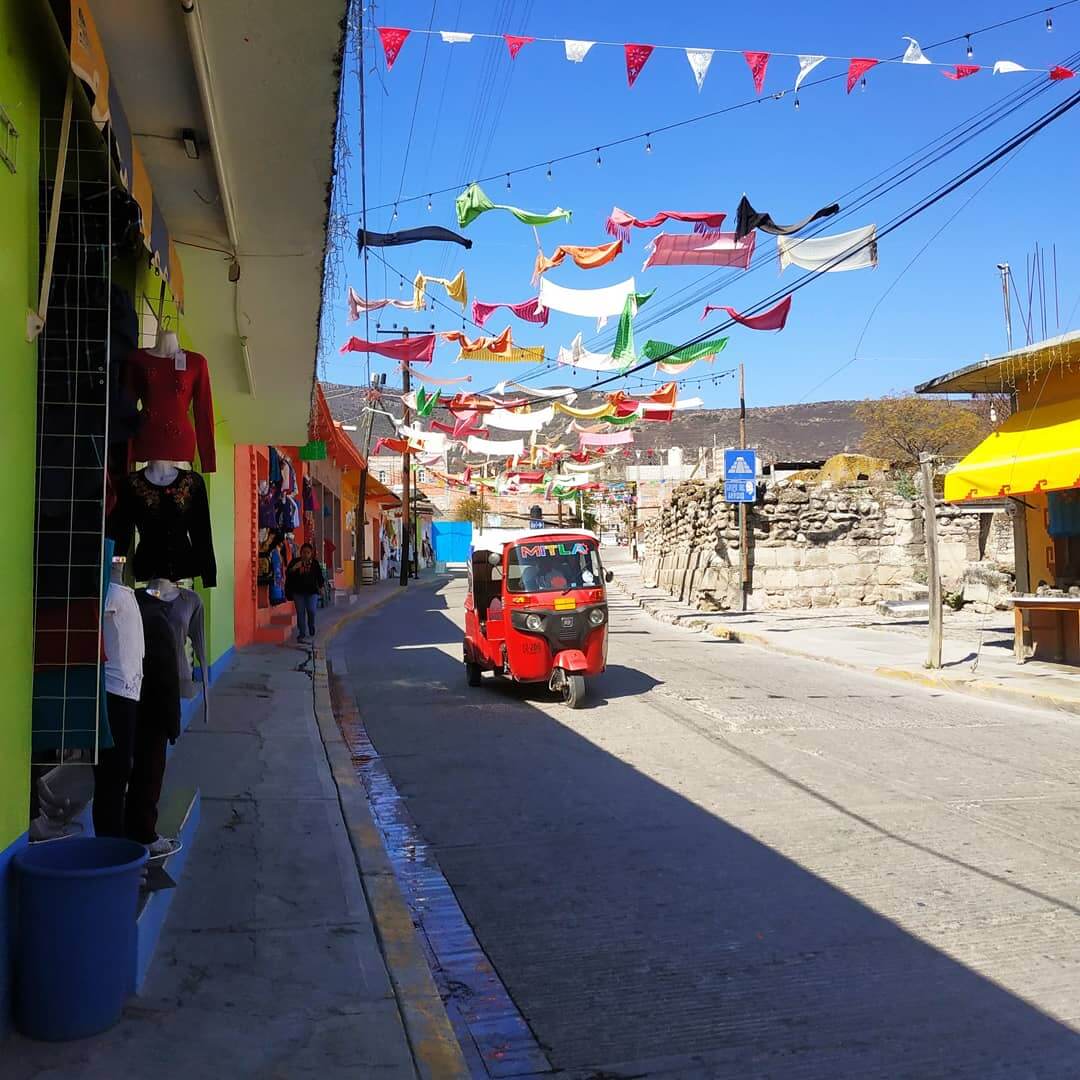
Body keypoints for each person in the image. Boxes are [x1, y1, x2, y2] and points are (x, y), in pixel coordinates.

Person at [285, 542, 325, 644]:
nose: (305, 554)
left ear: (311, 553)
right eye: (304, 552)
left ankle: (311, 625)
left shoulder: (314, 563)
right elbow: (287, 574)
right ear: (300, 553)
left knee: (311, 610)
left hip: (312, 592)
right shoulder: (295, 562)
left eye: (308, 552)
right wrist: (295, 568)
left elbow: (319, 577)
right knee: (300, 612)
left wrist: (321, 587)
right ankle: (302, 632)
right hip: (298, 592)